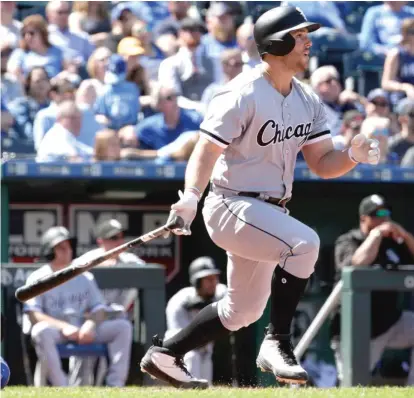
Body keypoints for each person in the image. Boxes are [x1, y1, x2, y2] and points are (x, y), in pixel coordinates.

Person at [139, 5, 381, 389]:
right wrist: (190, 198)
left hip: (266, 212)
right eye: (300, 36)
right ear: (278, 42)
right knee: (305, 244)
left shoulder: (307, 99)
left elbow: (321, 162)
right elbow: (205, 150)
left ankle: (167, 354)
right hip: (230, 203)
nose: (308, 42)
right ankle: (278, 342)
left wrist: (352, 156)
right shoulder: (241, 92)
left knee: (242, 311)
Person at [23, 226, 132, 386]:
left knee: (123, 326)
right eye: (61, 247)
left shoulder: (84, 276)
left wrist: (90, 324)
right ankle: (62, 386)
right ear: (49, 250)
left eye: (68, 246)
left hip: (83, 328)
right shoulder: (38, 277)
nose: (67, 251)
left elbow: (99, 308)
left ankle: (115, 384)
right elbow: (34, 314)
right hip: (56, 331)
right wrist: (64, 327)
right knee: (40, 330)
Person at [331, 194, 414, 386]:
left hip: (390, 323)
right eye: (377, 214)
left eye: (386, 214)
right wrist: (375, 235)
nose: (383, 219)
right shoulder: (348, 240)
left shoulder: (393, 243)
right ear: (363, 219)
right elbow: (357, 264)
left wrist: (404, 234)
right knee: (352, 385)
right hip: (354, 328)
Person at [165, 257, 227, 384]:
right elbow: (179, 338)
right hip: (179, 351)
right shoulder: (180, 301)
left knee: (205, 382)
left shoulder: (221, 293)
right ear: (197, 281)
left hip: (205, 349)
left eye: (215, 278)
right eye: (208, 279)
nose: (213, 282)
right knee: (192, 356)